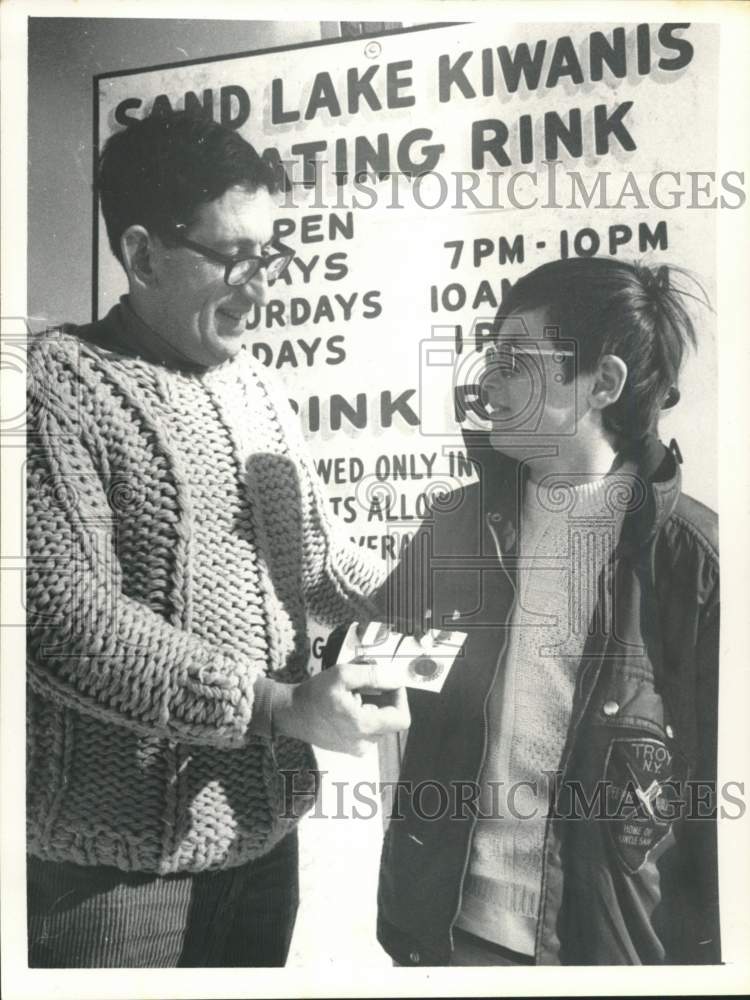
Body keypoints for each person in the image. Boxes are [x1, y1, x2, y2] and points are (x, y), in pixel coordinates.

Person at [25, 109, 409, 968]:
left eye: (268, 254)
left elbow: (314, 563)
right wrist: (276, 707)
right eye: (233, 255)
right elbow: (58, 620)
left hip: (260, 839)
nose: (258, 284)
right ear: (141, 253)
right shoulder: (51, 386)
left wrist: (424, 589)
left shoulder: (259, 389)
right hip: (109, 872)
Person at [370, 257, 720, 965]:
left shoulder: (691, 558)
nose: (486, 380)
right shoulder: (456, 526)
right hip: (447, 936)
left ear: (604, 383)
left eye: (514, 360)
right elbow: (367, 664)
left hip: (606, 951)